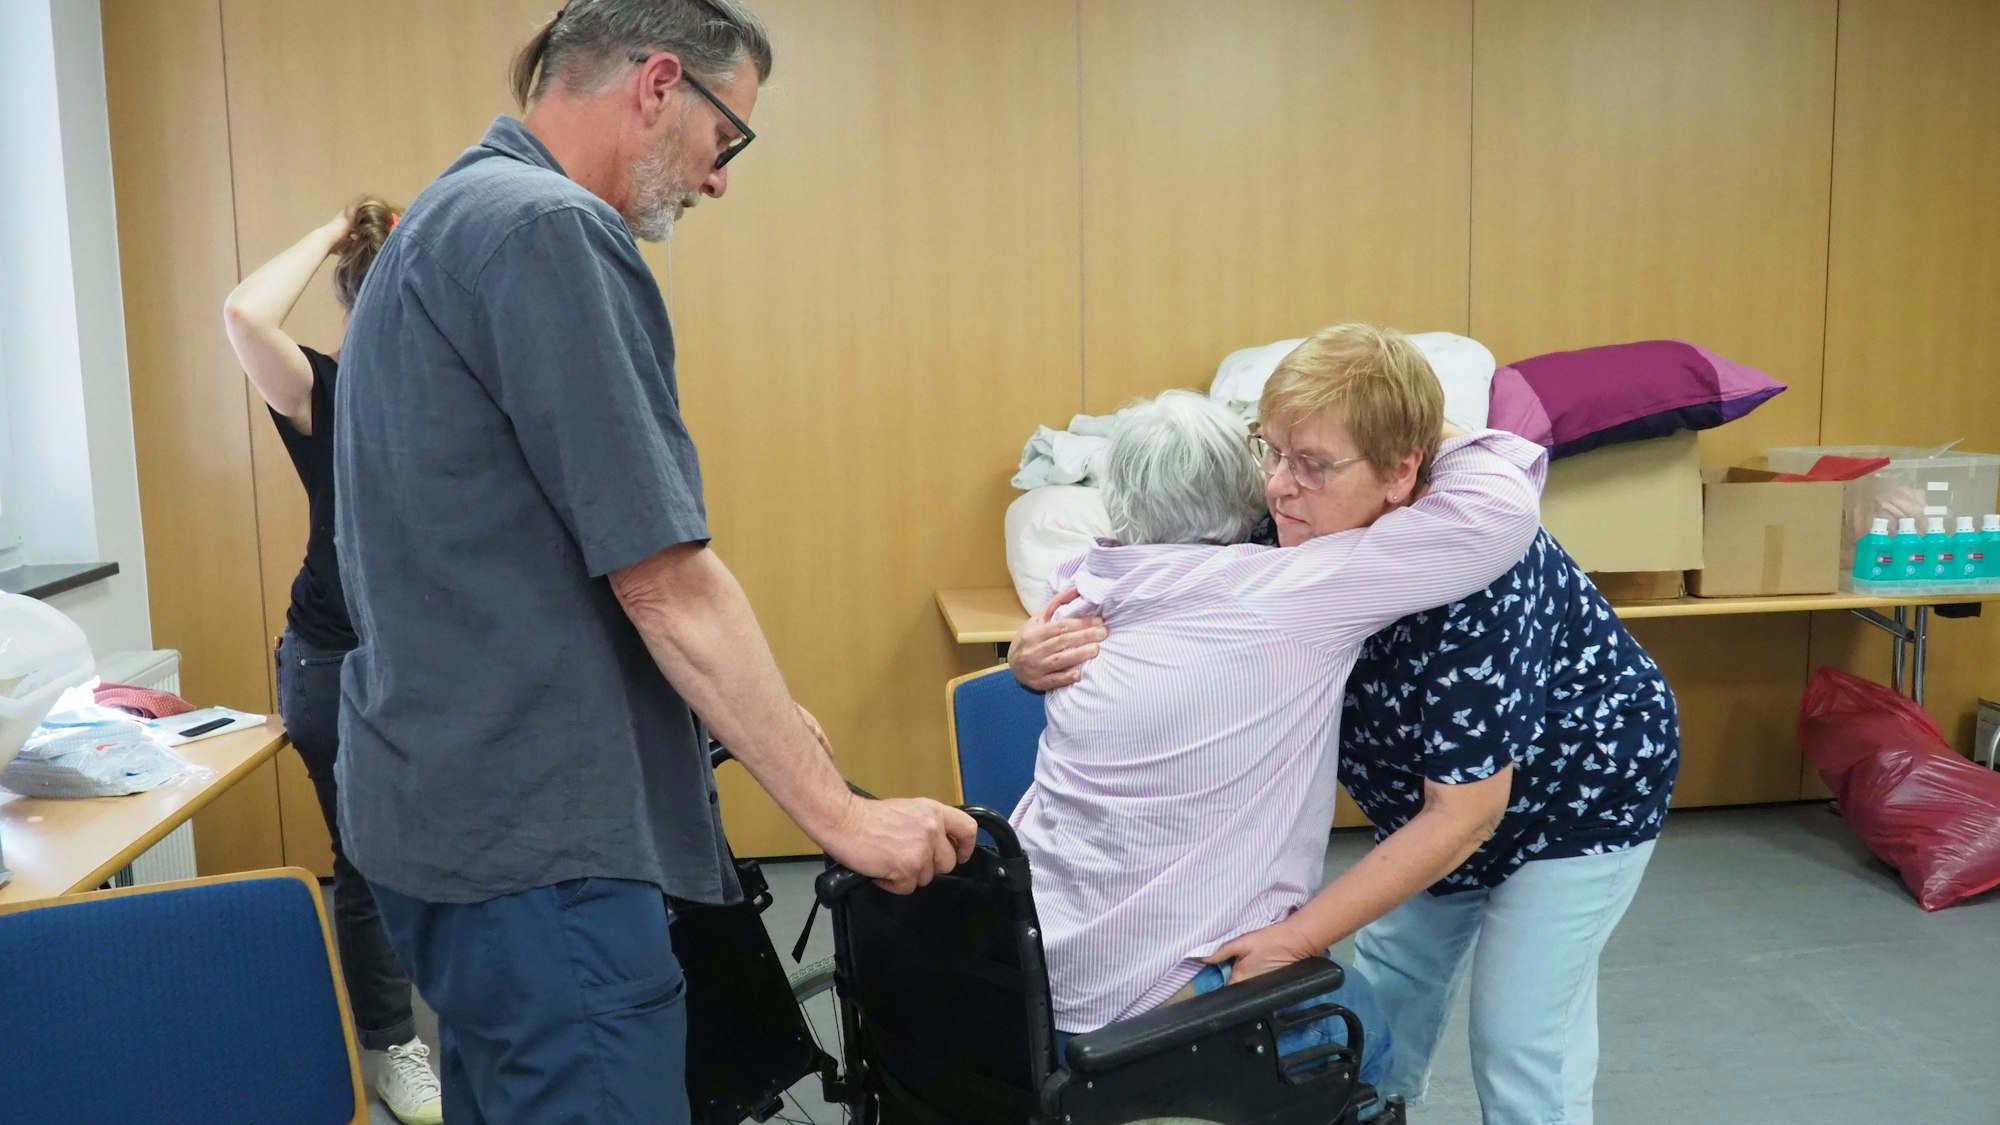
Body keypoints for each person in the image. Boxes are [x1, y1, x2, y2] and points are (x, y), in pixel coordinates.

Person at [331, 3, 975, 1121]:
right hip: (543, 849)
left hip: (444, 824)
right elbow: (662, 578)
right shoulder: (548, 231)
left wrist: (746, 720)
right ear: (659, 84)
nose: (720, 181)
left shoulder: (442, 220)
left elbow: (506, 555)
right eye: (727, 141)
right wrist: (841, 815)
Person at [1014, 328, 1682, 1125]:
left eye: (1314, 463)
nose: (1281, 487)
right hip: (1424, 801)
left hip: (1575, 797)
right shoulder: (1289, 523)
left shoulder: (1476, 572)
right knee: (1393, 984)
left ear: (1404, 471)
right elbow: (1147, 570)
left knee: (1520, 1037)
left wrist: (1294, 939)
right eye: (1273, 451)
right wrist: (1037, 649)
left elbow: (1466, 813)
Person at [221, 199, 444, 1125]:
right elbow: (244, 316)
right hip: (335, 664)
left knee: (452, 848)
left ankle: (461, 1017)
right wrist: (336, 231)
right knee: (369, 859)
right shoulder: (330, 393)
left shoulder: (462, 396)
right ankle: (393, 1046)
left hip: (435, 661)